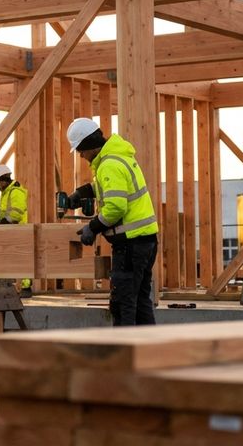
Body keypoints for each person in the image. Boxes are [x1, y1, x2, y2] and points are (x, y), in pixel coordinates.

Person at [68, 117, 159, 326]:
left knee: (122, 304)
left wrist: (93, 227)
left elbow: (116, 208)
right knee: (140, 302)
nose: (80, 155)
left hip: (130, 246)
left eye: (80, 150)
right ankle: (151, 352)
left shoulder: (109, 165)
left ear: (89, 144)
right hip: (144, 241)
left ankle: (125, 356)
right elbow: (109, 188)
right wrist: (82, 193)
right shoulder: (117, 157)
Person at [0, 164, 32, 298]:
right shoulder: (6, 191)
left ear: (3, 179)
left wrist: (5, 222)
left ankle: (25, 288)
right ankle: (11, 286)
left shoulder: (15, 191)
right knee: (9, 259)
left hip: (18, 229)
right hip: (10, 229)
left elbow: (17, 212)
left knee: (20, 260)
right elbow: (5, 209)